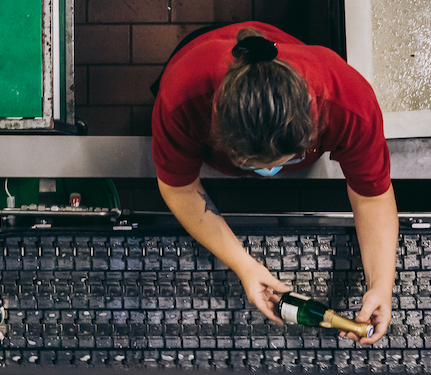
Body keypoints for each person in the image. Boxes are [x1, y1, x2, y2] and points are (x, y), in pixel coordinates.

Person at [151, 21, 398, 344]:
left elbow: (372, 197)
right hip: (198, 51)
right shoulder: (182, 95)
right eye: (249, 165)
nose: (267, 175)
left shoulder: (348, 101)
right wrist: (244, 266)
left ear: (311, 134)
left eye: (285, 162)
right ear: (217, 137)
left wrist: (381, 284)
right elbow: (178, 186)